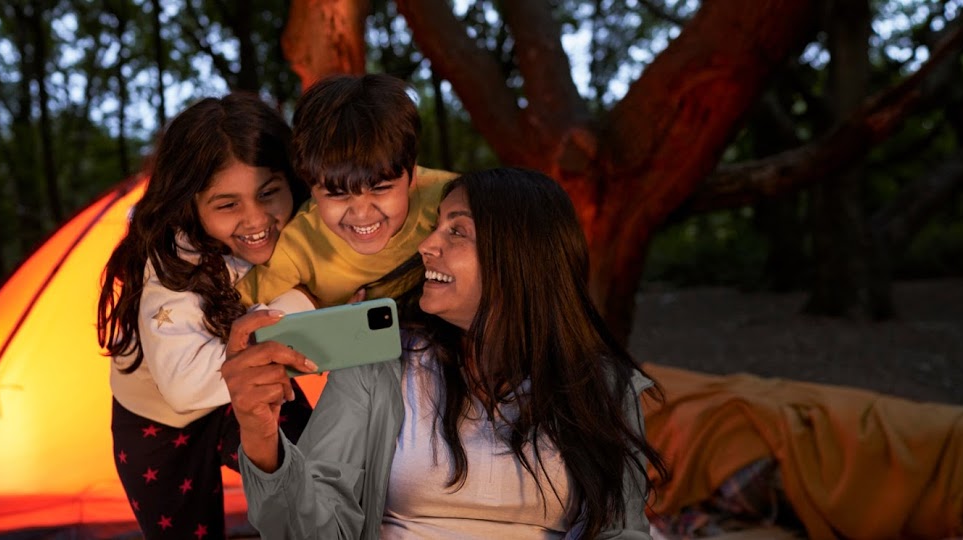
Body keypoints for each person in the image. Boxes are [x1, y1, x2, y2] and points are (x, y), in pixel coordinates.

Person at [222, 167, 669, 539]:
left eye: (457, 230)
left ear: (519, 256)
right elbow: (309, 532)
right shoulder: (379, 365)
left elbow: (621, 530)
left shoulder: (603, 385)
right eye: (436, 225)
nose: (426, 245)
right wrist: (260, 437)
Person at [95, 94, 314, 540]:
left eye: (268, 193)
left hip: (242, 390)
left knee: (319, 470)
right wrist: (303, 303)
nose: (256, 219)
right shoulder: (170, 265)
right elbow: (184, 388)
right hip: (157, 422)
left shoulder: (305, 229)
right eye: (227, 205)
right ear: (190, 203)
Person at [236, 73, 458, 308]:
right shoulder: (299, 245)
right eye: (337, 193)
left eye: (380, 189)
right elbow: (233, 309)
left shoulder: (451, 201)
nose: (361, 213)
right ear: (311, 187)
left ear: (411, 175)